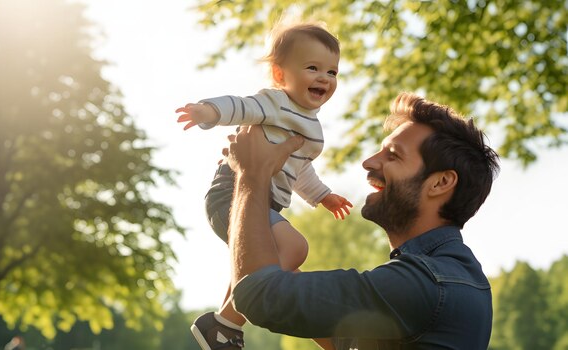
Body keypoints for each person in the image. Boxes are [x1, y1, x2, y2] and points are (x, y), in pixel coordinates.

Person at [223, 92, 500, 349]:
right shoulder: (449, 278)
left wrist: (251, 175)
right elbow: (350, 340)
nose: (369, 162)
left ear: (440, 182)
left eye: (393, 155)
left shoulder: (424, 283)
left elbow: (259, 298)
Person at [176, 23, 353, 349]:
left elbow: (300, 172)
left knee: (278, 273)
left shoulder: (314, 131)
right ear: (279, 73)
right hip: (233, 193)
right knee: (295, 249)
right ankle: (226, 322)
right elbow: (240, 106)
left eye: (332, 71)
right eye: (312, 67)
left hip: (263, 205)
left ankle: (223, 329)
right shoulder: (274, 102)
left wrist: (323, 196)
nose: (324, 78)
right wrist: (209, 111)